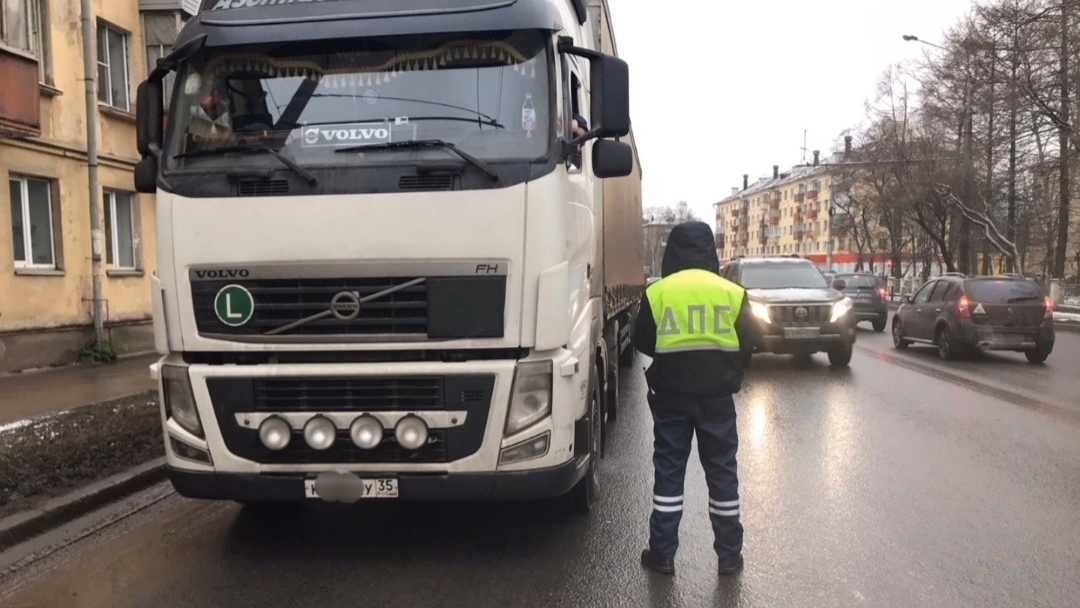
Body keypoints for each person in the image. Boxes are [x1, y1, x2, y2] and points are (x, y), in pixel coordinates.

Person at [632, 220, 755, 577]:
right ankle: (730, 556)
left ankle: (662, 555)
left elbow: (642, 341)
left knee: (669, 473)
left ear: (672, 251)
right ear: (710, 253)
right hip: (717, 398)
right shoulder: (731, 292)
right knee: (722, 473)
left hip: (671, 397)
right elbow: (748, 341)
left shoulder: (659, 292)